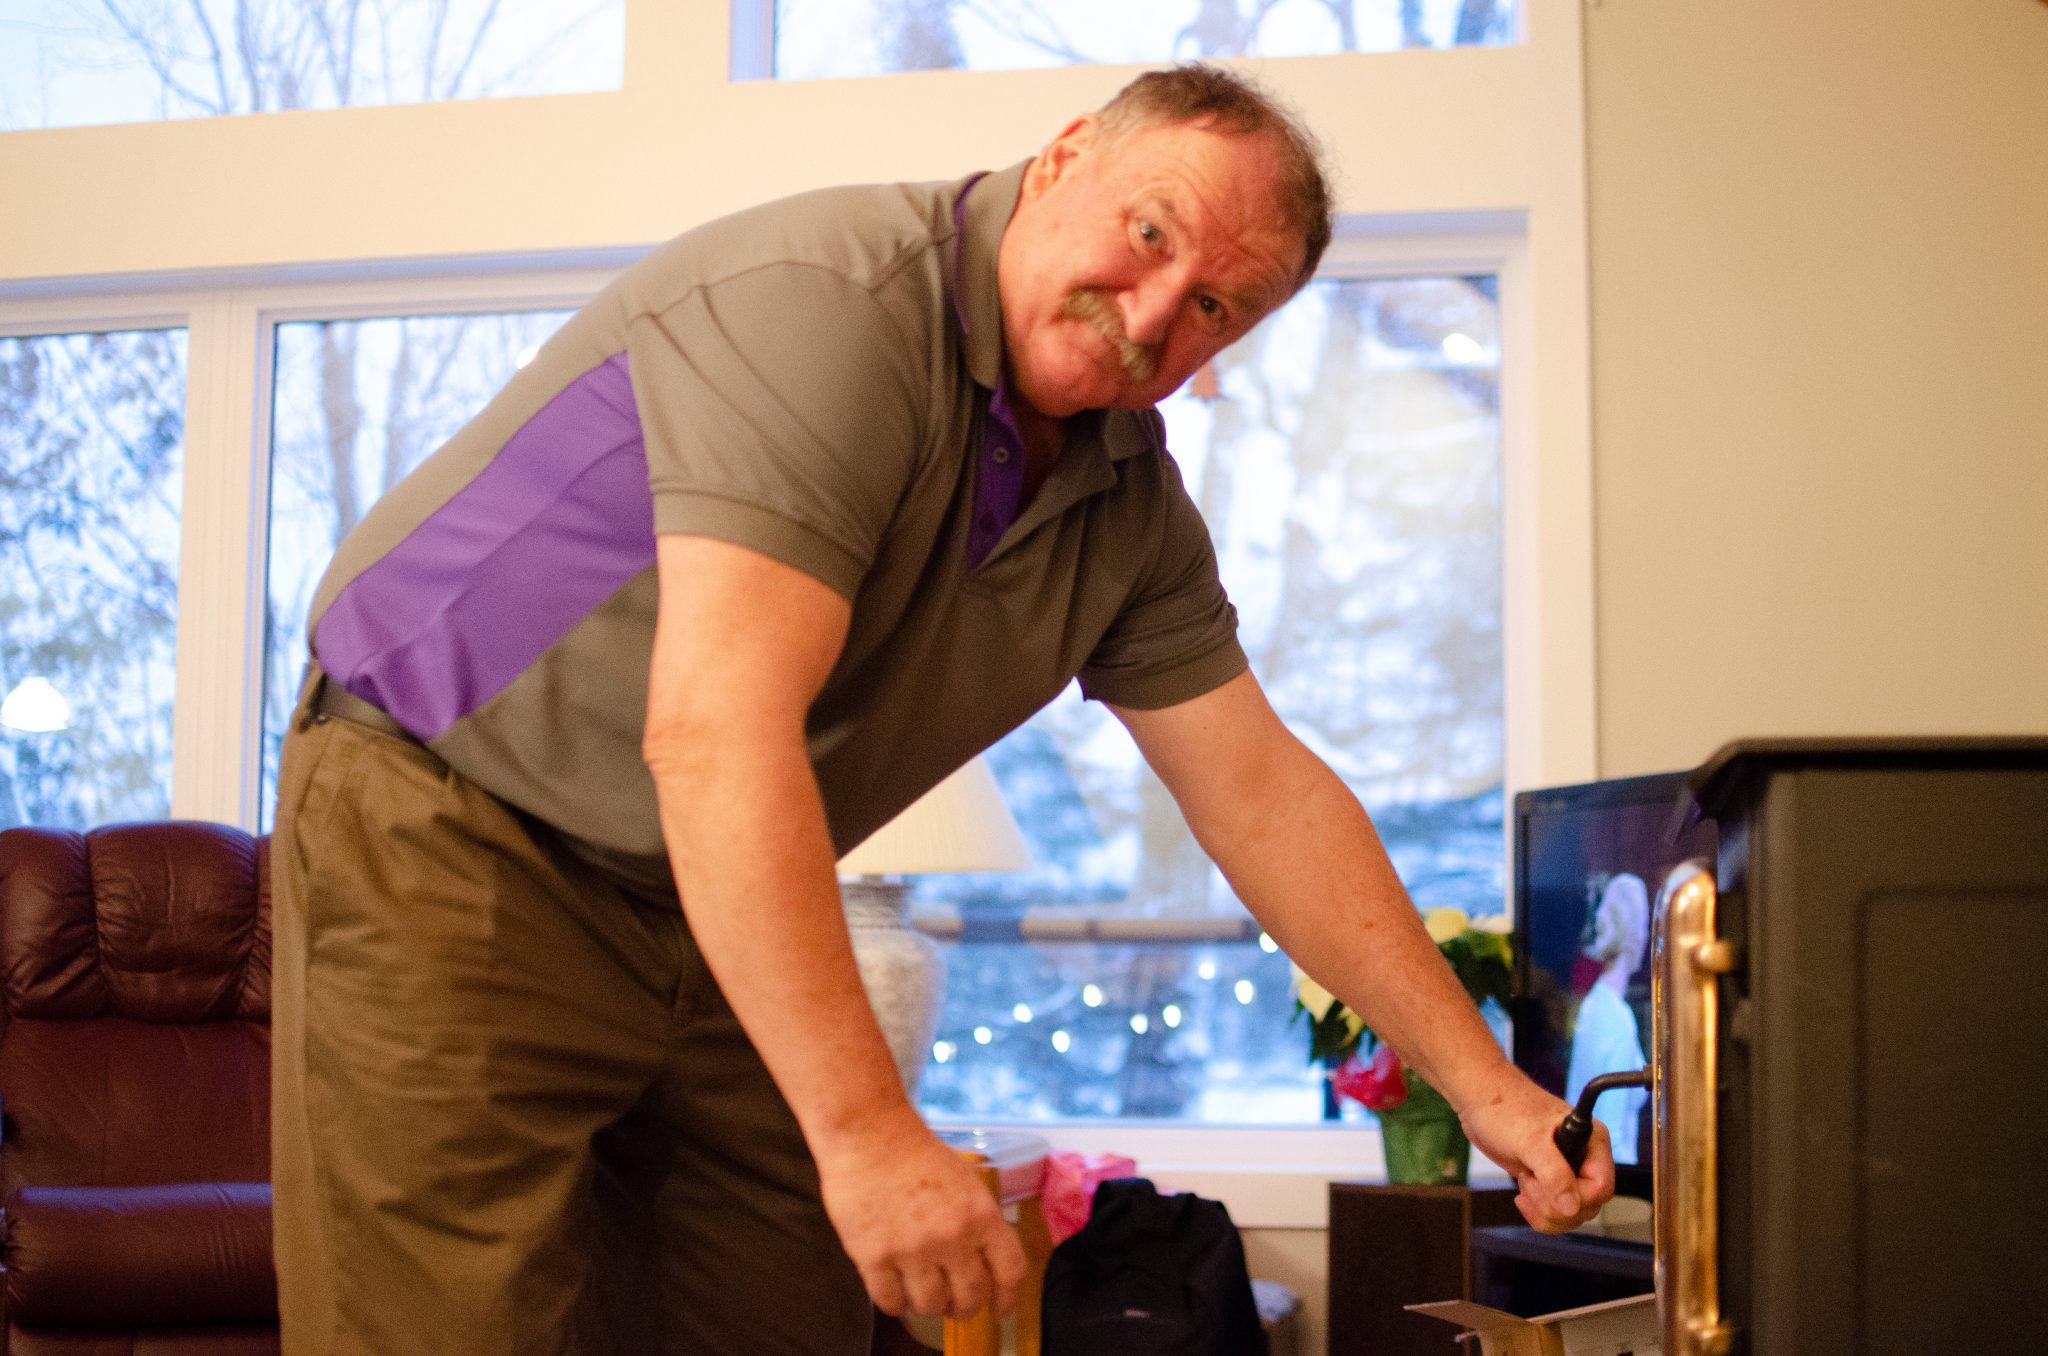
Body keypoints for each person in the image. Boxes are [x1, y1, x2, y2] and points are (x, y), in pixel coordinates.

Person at [270, 61, 1612, 1356]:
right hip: (452, 819)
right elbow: (716, 731)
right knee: (455, 1322)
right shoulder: (831, 305)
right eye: (1150, 234)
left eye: (1215, 305)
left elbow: (1262, 797)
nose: (1154, 313)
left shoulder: (1127, 509)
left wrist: (1486, 1088)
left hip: (698, 877)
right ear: (1065, 155)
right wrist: (866, 1135)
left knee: (774, 1311)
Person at [1566, 871, 1652, 1162]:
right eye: (1644, 926)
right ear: (1634, 934)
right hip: (1612, 1179)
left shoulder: (1593, 1005)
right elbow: (1611, 1136)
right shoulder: (1616, 1017)